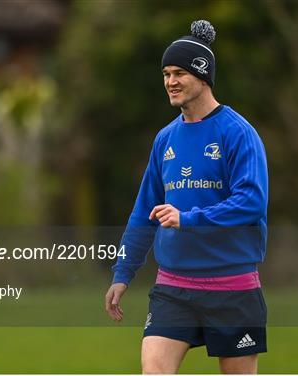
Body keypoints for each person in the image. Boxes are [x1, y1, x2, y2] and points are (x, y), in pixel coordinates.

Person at [105, 20, 269, 374]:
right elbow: (143, 213)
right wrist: (123, 273)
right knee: (154, 370)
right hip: (174, 287)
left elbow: (252, 202)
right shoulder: (165, 139)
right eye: (166, 73)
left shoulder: (238, 133)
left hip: (233, 288)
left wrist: (189, 218)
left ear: (204, 76)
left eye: (180, 72)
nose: (170, 81)